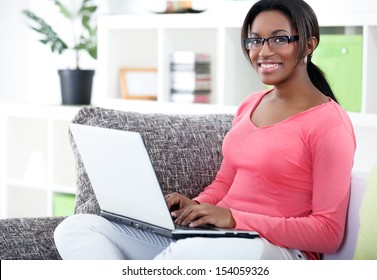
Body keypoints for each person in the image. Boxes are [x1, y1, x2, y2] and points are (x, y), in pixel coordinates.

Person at [54, 0, 356, 260]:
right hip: (214, 237)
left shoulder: (330, 124)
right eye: (254, 40)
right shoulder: (250, 104)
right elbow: (225, 181)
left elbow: (327, 232)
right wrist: (197, 204)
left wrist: (234, 218)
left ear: (309, 43)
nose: (263, 51)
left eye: (278, 39)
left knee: (187, 255)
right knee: (79, 228)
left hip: (278, 249)